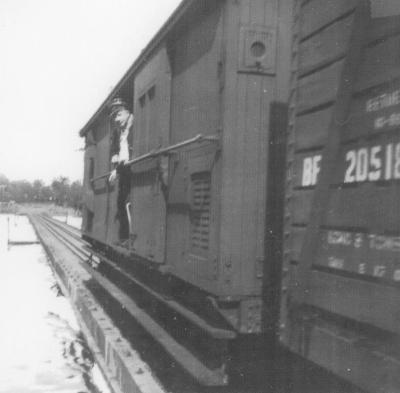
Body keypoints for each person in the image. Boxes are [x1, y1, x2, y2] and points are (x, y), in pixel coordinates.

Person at [108, 98, 134, 242]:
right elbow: (116, 149)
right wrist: (115, 155)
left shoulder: (135, 125)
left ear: (127, 112)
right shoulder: (119, 131)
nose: (116, 120)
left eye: (118, 115)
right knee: (121, 203)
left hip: (133, 171)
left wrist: (117, 170)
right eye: (114, 117)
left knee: (127, 202)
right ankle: (125, 238)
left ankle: (129, 237)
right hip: (124, 170)